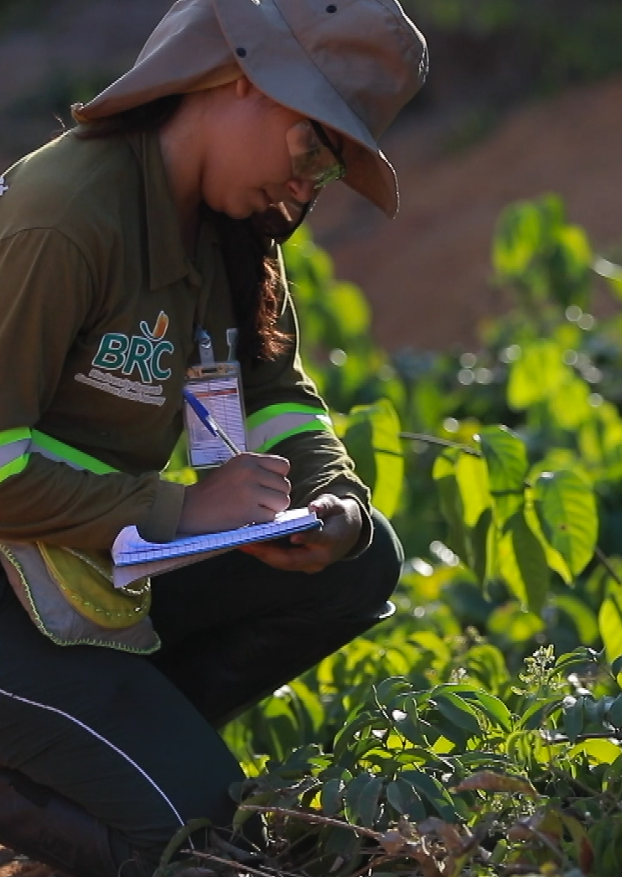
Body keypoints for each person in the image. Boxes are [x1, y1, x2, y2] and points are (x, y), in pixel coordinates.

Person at [0, 0, 427, 872]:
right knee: (212, 843)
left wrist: (329, 501)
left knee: (363, 556)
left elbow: (272, 393)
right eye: (314, 146)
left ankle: (122, 742)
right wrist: (183, 508)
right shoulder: (65, 214)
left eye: (333, 168)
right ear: (242, 79)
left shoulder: (230, 230)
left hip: (69, 570)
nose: (309, 185)